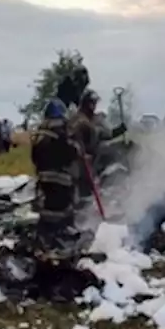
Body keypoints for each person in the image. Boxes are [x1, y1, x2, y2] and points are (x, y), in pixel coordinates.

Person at [31, 98, 80, 240]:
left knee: (47, 211)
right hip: (62, 181)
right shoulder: (62, 135)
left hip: (44, 182)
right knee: (63, 213)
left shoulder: (39, 136)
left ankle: (45, 236)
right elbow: (70, 155)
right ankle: (63, 239)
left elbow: (34, 158)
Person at [69, 90, 126, 202]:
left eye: (95, 103)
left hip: (93, 159)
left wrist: (119, 130)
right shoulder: (78, 120)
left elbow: (106, 134)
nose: (94, 106)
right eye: (92, 103)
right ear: (87, 104)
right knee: (83, 190)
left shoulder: (94, 120)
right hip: (80, 161)